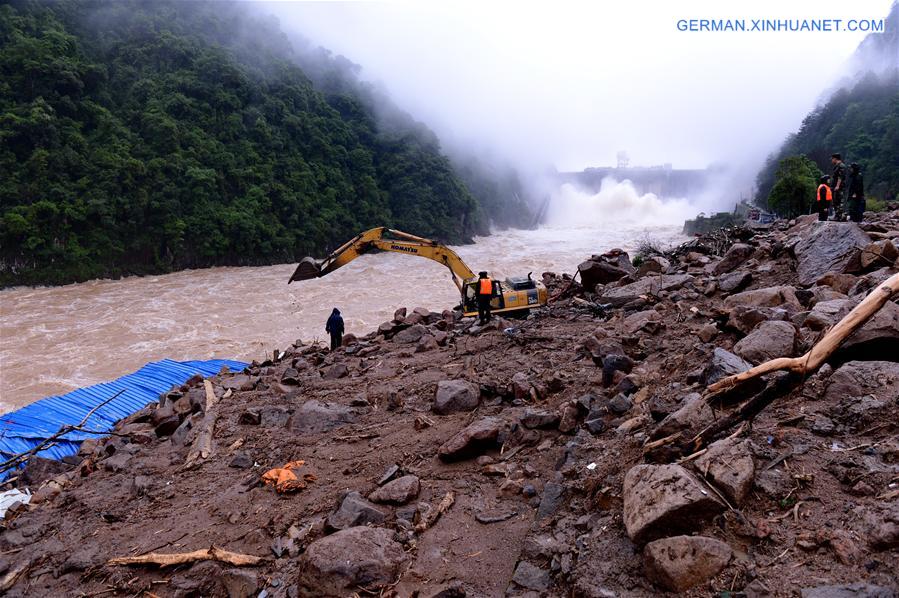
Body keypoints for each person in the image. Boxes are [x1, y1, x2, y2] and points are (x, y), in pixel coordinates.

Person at [830, 153, 847, 220]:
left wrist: (837, 186)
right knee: (835, 201)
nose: (831, 160)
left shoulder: (841, 166)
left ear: (835, 159)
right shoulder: (837, 166)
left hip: (839, 187)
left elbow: (840, 177)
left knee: (839, 201)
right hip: (835, 186)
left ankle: (839, 216)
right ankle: (837, 216)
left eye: (832, 159)